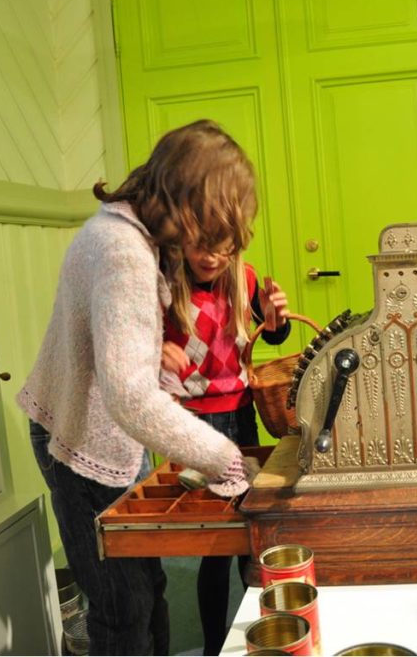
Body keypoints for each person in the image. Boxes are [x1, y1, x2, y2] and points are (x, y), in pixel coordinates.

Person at [17, 119, 261, 655]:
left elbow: (111, 353)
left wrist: (156, 362)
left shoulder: (124, 230)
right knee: (122, 609)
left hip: (98, 429)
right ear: (184, 200)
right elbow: (128, 397)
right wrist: (224, 457)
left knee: (147, 590)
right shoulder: (124, 250)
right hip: (79, 438)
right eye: (208, 222)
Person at [161, 242, 291, 655]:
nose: (211, 258)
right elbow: (140, 344)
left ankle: (257, 638)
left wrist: (275, 321)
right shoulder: (167, 282)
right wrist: (157, 352)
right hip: (197, 421)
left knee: (250, 533)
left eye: (223, 249)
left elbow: (272, 333)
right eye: (202, 247)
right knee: (215, 543)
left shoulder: (244, 278)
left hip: (241, 413)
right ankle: (214, 646)